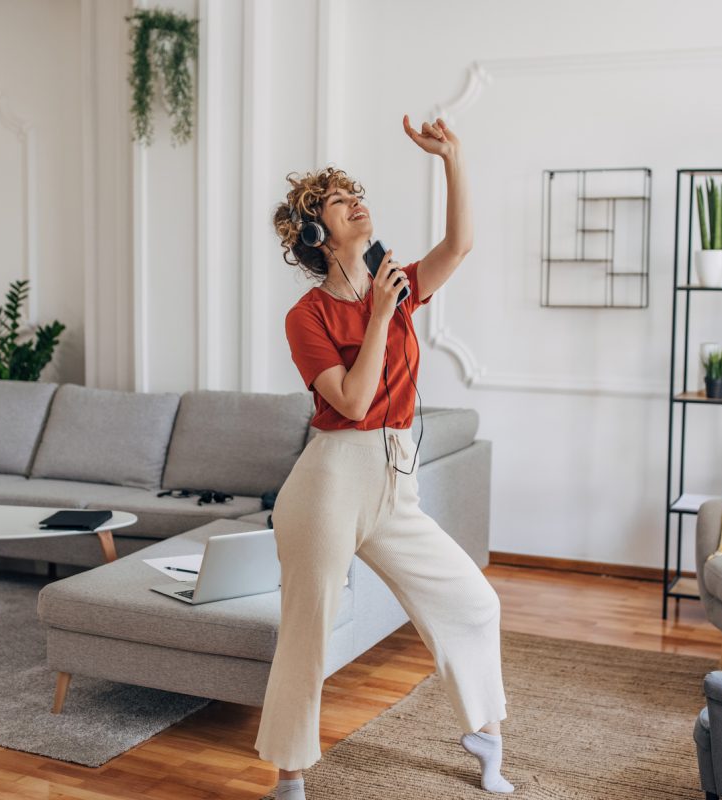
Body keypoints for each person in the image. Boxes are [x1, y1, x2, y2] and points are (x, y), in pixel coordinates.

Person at [256, 116, 511, 800]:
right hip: (330, 480)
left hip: (395, 476)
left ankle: (484, 731)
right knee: (308, 631)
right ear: (316, 234)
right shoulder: (309, 316)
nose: (355, 202)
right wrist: (374, 316)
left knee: (472, 601)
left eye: (354, 192)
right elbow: (349, 398)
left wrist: (452, 156)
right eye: (338, 201)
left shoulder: (392, 284)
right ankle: (289, 777)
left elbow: (460, 244)